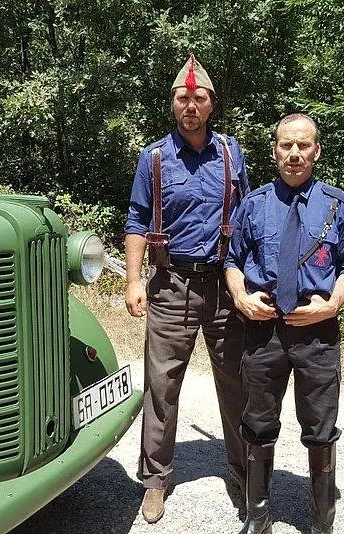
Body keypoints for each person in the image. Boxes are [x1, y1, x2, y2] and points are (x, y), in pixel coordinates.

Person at [124, 53, 250, 524]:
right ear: (173, 105)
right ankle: (155, 480)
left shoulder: (232, 153)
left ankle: (242, 472)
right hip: (170, 282)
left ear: (211, 105)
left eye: (198, 98)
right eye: (183, 98)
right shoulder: (152, 158)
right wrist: (134, 279)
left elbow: (247, 216)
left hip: (222, 284)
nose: (190, 105)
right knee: (162, 386)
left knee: (235, 381)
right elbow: (136, 220)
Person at [225, 113, 344, 534]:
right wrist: (241, 297)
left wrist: (332, 305)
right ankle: (258, 517)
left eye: (303, 146)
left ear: (316, 150)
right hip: (264, 329)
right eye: (287, 145)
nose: (295, 154)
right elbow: (231, 261)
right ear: (274, 150)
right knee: (258, 422)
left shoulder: (339, 205)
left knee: (320, 427)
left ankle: (321, 523)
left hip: (316, 330)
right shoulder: (254, 204)